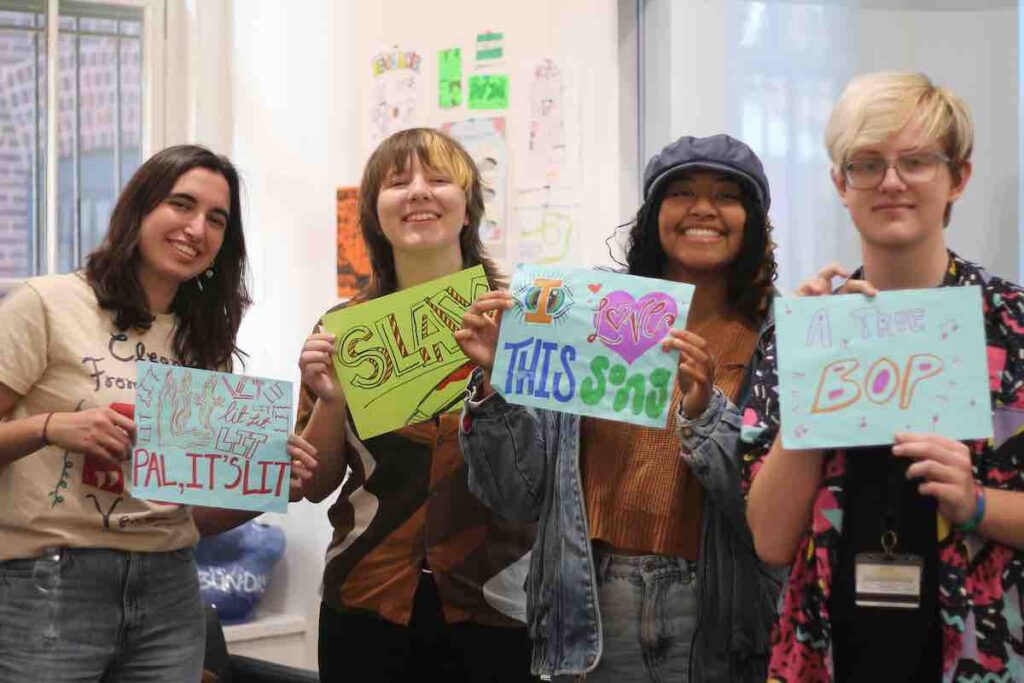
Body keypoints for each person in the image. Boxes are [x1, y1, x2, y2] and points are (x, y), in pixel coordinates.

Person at [455, 134, 783, 681]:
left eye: (727, 195)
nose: (703, 208)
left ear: (753, 220)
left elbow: (776, 515)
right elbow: (515, 495)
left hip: (719, 620)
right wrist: (498, 381)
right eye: (681, 193)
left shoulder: (778, 336)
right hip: (586, 609)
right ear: (654, 214)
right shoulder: (584, 318)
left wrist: (706, 412)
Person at [743, 72, 1024, 681]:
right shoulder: (801, 328)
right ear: (840, 183)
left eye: (916, 161)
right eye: (866, 163)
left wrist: (977, 503)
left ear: (959, 177)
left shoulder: (1014, 326)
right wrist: (812, 376)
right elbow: (769, 538)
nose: (891, 182)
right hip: (827, 654)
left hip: (984, 652)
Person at [0, 144, 317, 682]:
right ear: (139, 209)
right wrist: (51, 427)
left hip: (170, 584)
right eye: (181, 205)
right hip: (51, 581)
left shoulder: (205, 344)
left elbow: (191, 512)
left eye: (216, 219)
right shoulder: (45, 303)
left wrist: (266, 483)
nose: (197, 228)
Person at [296, 127, 536, 682]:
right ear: (375, 215)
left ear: (469, 208)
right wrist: (330, 402)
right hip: (367, 595)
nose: (419, 192)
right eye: (398, 182)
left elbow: (541, 480)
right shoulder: (343, 332)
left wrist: (497, 376)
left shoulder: (520, 320)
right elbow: (312, 483)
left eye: (439, 179)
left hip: (496, 603)